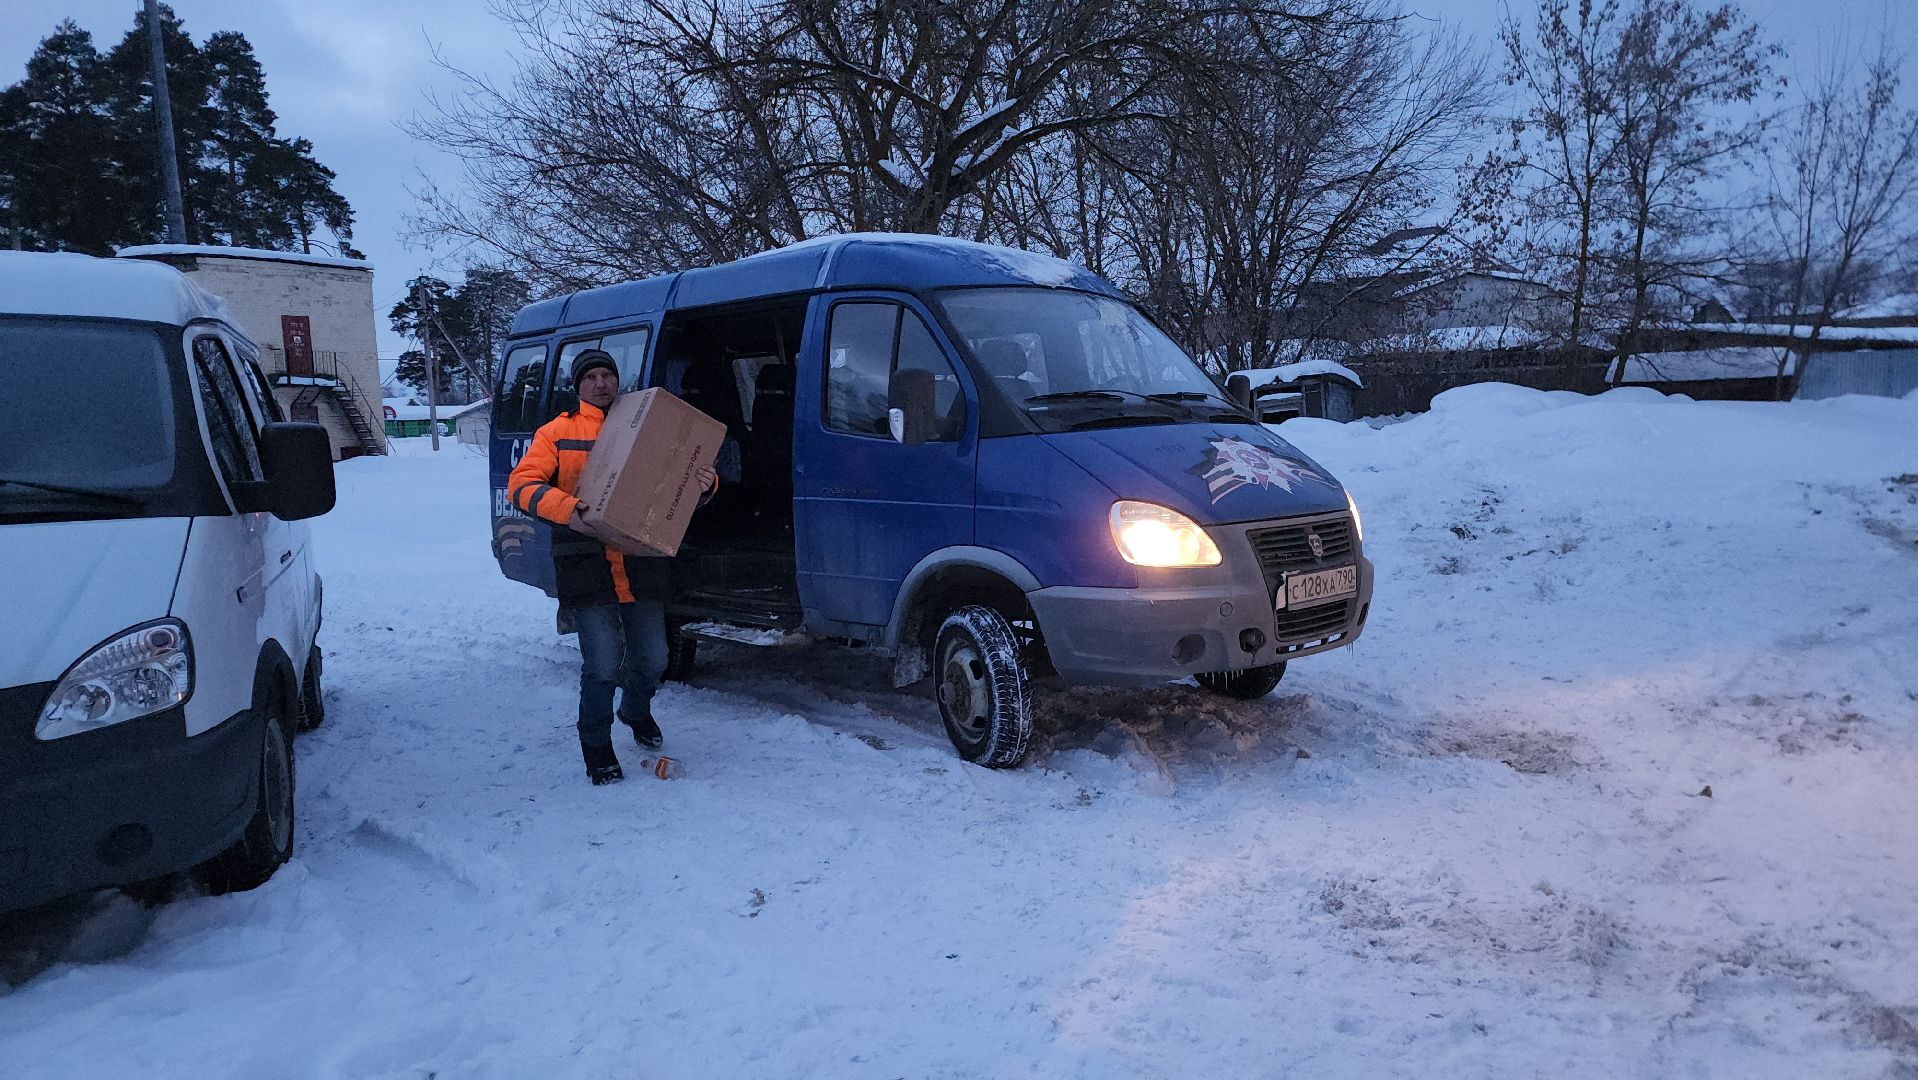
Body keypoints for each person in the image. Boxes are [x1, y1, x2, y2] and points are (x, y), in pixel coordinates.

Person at [508, 349, 717, 785]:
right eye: (592, 377)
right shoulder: (557, 432)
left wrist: (704, 484)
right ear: (579, 385)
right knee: (603, 665)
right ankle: (597, 746)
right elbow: (522, 486)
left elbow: (674, 483)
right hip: (585, 563)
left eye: (608, 375)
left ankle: (636, 711)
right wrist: (570, 510)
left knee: (655, 658)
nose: (601, 383)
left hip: (641, 562)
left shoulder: (646, 424)